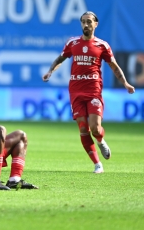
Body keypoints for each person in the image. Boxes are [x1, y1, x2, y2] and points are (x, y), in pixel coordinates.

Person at [42, 11, 135, 173]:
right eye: (83, 22)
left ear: (95, 24)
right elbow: (60, 59)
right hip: (76, 91)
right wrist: (50, 71)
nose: (86, 24)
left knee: (95, 128)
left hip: (94, 90)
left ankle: (100, 140)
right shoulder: (72, 43)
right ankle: (97, 164)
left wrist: (125, 83)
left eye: (89, 21)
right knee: (83, 128)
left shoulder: (102, 45)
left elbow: (113, 65)